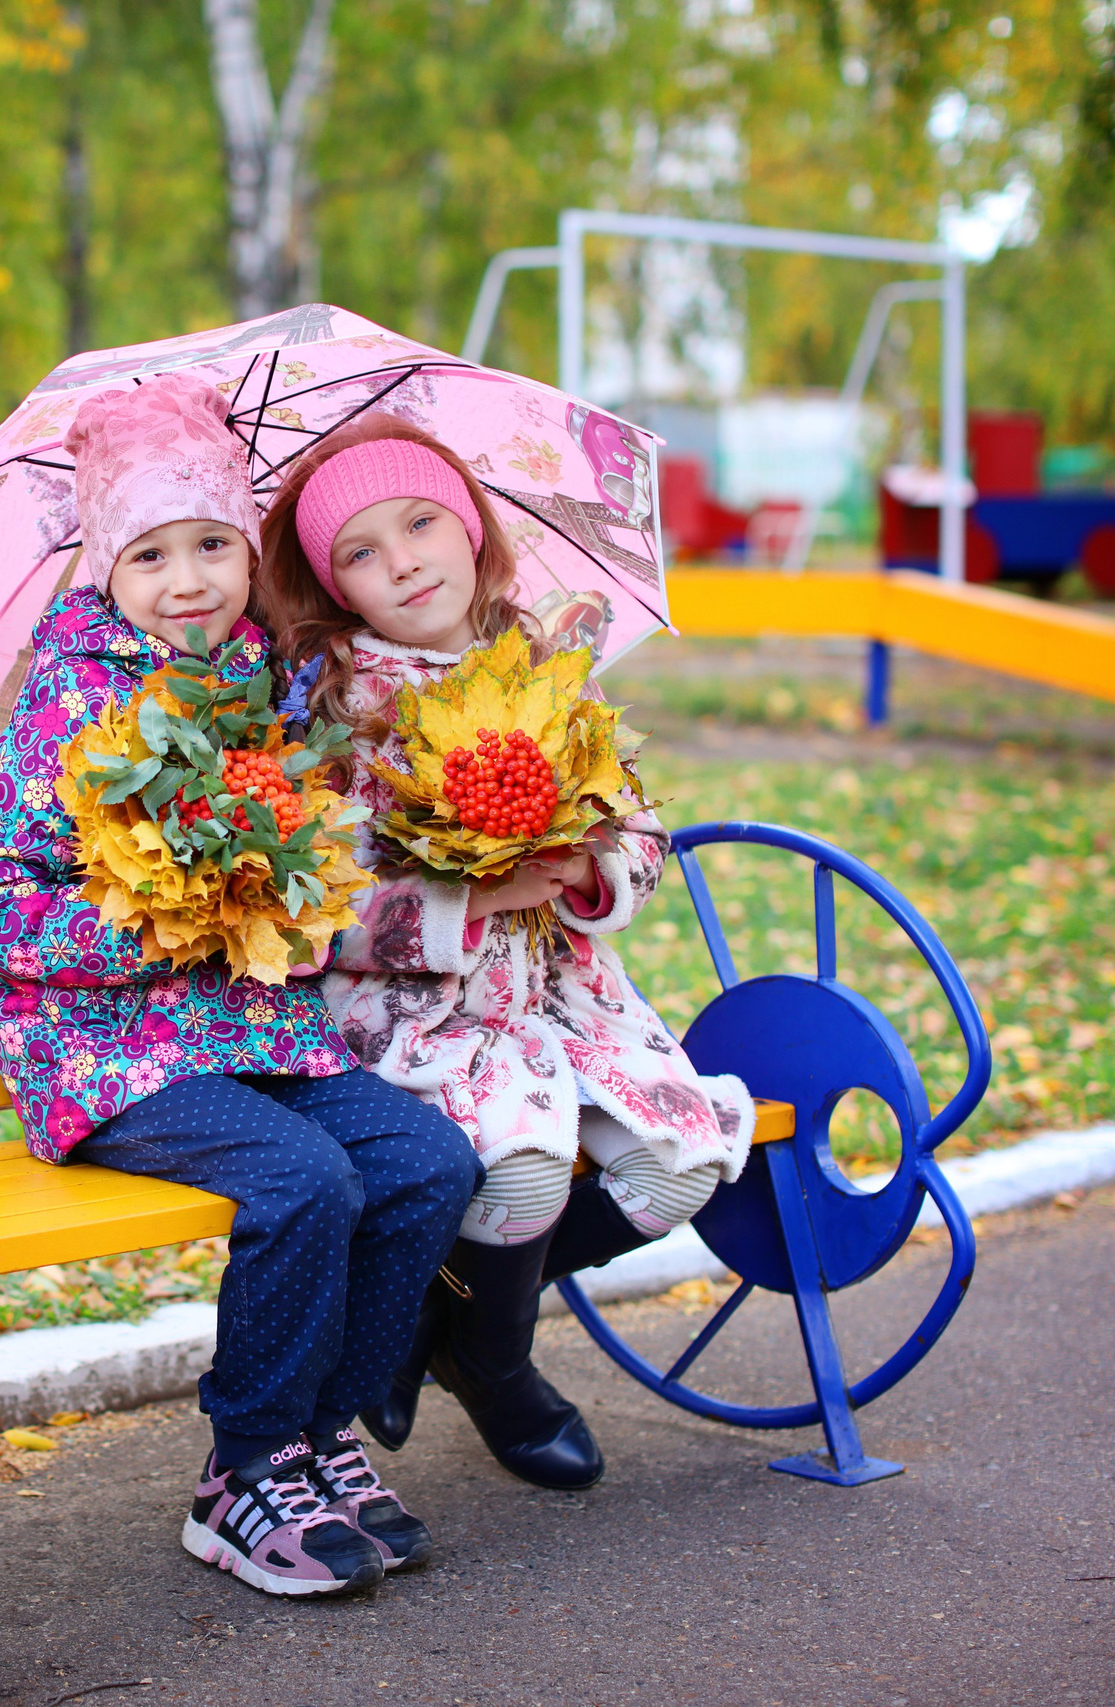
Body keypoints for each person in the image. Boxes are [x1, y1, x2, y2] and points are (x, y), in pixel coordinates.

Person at [0, 375, 482, 1597]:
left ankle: (315, 1439)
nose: (186, 580)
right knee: (303, 1179)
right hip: (102, 1053)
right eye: (149, 554)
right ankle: (243, 1469)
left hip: (254, 1035)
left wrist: (287, 885)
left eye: (212, 546)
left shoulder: (268, 686)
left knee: (424, 1162)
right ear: (105, 567)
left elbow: (311, 870)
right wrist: (153, 922)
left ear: (248, 551)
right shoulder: (70, 694)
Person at [255, 414, 755, 1491]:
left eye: (421, 523)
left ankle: (430, 1316)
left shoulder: (547, 670)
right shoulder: (332, 709)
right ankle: (500, 1367)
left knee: (680, 1167)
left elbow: (641, 828)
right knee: (524, 1167)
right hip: (425, 1014)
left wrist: (587, 868)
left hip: (565, 998)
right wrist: (466, 896)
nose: (403, 561)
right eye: (361, 552)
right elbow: (309, 907)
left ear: (471, 527)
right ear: (335, 585)